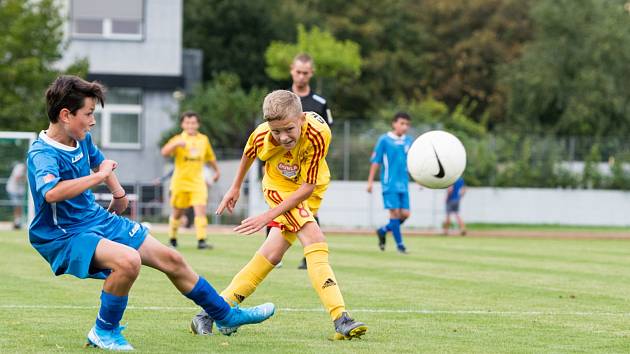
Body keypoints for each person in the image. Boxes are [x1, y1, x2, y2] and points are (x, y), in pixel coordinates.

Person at [27, 76, 274, 351]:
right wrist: (101, 178)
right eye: (89, 114)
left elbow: (101, 164)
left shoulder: (80, 138)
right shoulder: (42, 153)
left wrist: (118, 192)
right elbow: (51, 192)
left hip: (95, 219)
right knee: (128, 261)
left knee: (172, 258)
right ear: (65, 115)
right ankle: (103, 331)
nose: (93, 121)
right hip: (63, 234)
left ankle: (225, 316)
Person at [190, 90, 367, 340]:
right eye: (276, 131)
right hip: (278, 187)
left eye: (289, 129)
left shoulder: (319, 133)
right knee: (315, 239)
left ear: (302, 118)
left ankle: (207, 314)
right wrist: (235, 186)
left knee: (271, 255)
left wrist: (267, 216)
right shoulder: (262, 134)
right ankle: (341, 318)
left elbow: (307, 187)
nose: (283, 137)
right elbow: (249, 153)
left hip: (309, 188)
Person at [289, 53, 332, 270]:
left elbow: (327, 133)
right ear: (291, 70)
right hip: (285, 166)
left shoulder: (320, 103)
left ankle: (309, 255)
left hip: (310, 167)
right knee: (279, 206)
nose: (301, 76)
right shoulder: (282, 99)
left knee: (310, 211)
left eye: (305, 73)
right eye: (298, 72)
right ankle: (273, 255)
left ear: (311, 74)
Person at [161, 112, 220, 249]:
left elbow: (210, 157)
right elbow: (164, 152)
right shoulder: (177, 138)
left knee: (201, 209)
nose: (190, 126)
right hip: (180, 182)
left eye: (193, 123)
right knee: (178, 213)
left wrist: (217, 171)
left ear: (198, 124)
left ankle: (201, 240)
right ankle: (173, 238)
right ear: (182, 124)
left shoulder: (203, 139)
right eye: (187, 123)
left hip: (198, 182)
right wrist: (175, 145)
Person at [367, 112, 413, 254]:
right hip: (389, 183)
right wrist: (370, 182)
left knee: (405, 214)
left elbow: (414, 163)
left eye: (407, 124)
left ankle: (383, 230)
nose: (404, 127)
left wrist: (418, 179)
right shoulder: (384, 140)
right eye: (401, 123)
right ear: (394, 123)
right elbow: (376, 162)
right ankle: (400, 246)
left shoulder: (409, 141)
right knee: (394, 214)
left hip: (404, 184)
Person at [6, 162, 26, 229]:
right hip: (14, 190)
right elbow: (17, 178)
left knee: (19, 206)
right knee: (17, 205)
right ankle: (17, 222)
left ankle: (18, 222)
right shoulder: (20, 167)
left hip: (19, 191)